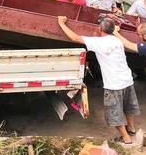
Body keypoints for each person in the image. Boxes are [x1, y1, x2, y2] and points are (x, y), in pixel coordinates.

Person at [57, 16, 138, 144]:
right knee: (128, 106)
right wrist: (115, 30)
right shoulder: (117, 40)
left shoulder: (98, 42)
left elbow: (74, 38)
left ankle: (126, 138)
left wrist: (61, 23)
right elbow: (114, 30)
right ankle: (132, 129)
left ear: (100, 29)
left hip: (114, 84)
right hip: (127, 80)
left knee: (114, 112)